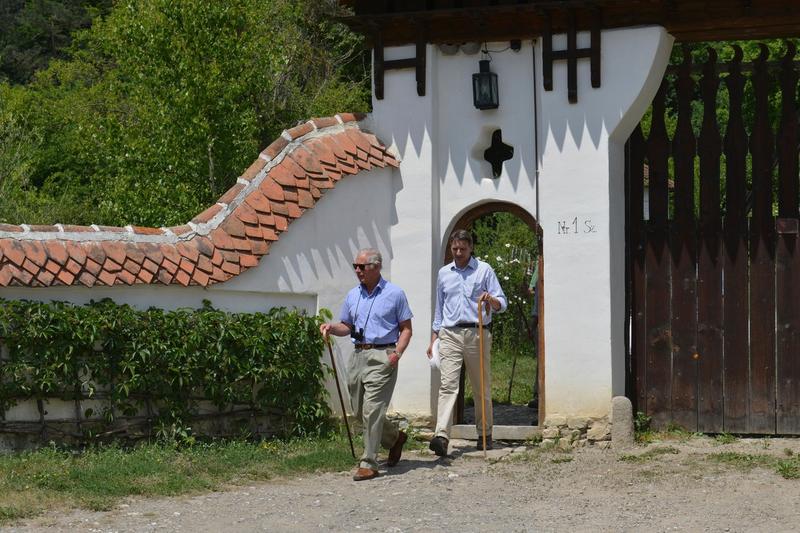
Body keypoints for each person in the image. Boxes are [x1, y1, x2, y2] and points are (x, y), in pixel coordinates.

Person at [320, 248, 413, 481]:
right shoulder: (353, 295)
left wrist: (397, 353)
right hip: (358, 355)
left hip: (383, 356)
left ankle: (369, 462)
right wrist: (332, 328)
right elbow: (347, 326)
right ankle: (394, 437)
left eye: (362, 266)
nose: (358, 271)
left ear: (377, 266)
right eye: (356, 267)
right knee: (360, 411)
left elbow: (406, 328)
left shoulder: (395, 294)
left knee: (372, 410)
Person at [427, 230, 507, 456]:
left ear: (471, 248)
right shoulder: (444, 273)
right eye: (455, 249)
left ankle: (485, 433)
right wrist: (434, 338)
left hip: (477, 332)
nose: (458, 253)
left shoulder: (484, 270)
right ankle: (441, 436)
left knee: (481, 386)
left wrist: (491, 300)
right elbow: (439, 309)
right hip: (450, 333)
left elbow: (503, 302)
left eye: (462, 249)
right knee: (448, 385)